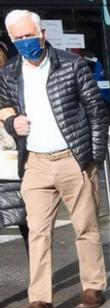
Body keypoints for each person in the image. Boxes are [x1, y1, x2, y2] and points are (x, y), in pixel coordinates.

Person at [0, 9, 109, 308]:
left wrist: (93, 158)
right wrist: (11, 122)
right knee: (37, 232)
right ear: (11, 39)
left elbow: (96, 112)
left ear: (42, 33)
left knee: (85, 228)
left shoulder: (71, 65)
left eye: (29, 35)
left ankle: (92, 287)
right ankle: (40, 300)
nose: (25, 42)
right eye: (18, 38)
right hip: (35, 163)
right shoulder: (9, 73)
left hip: (73, 158)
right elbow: (4, 105)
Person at [0, 50, 27, 252]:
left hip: (12, 166)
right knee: (29, 225)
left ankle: (41, 281)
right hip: (14, 167)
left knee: (29, 225)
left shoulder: (11, 87)